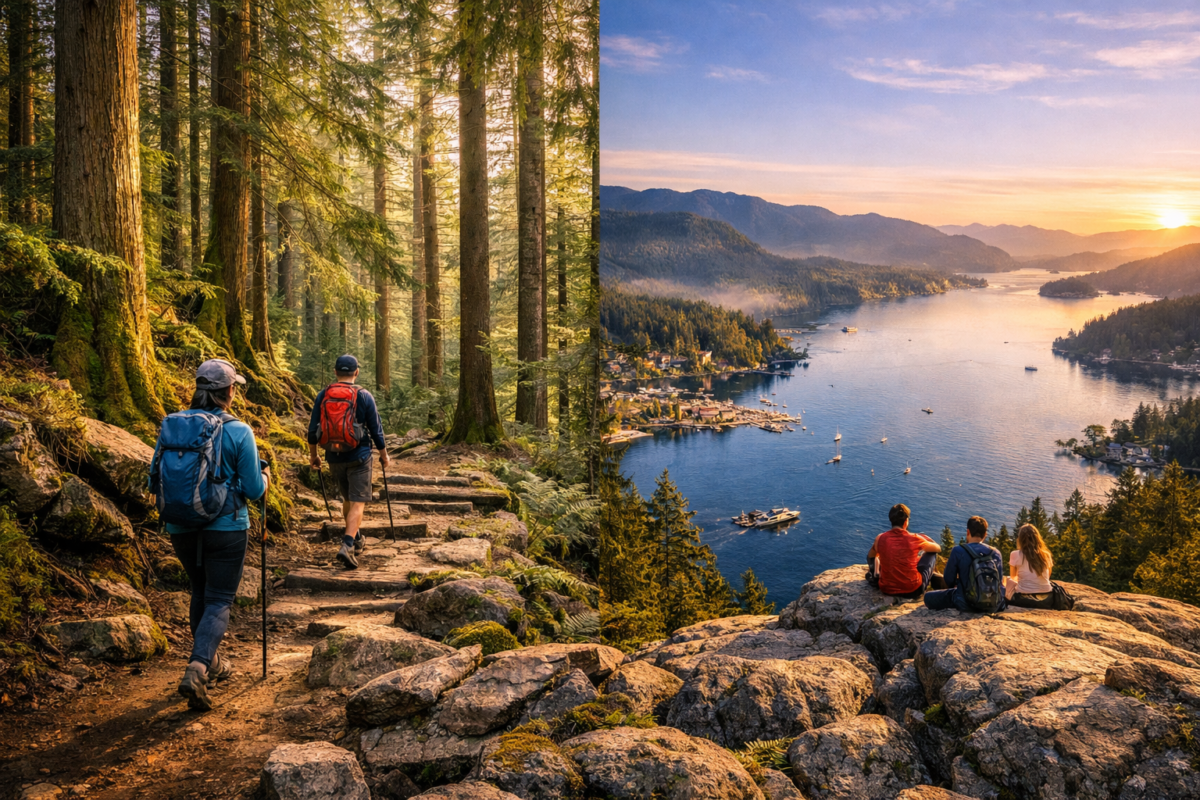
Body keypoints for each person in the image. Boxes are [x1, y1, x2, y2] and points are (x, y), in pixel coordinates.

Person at [151, 359, 269, 711]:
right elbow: (252, 489)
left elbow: (153, 477)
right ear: (229, 391)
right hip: (227, 526)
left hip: (180, 524)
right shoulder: (239, 430)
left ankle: (211, 663)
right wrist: (265, 478)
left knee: (199, 591)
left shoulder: (173, 426)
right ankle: (199, 666)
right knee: (219, 598)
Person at [308, 354, 389, 570]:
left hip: (333, 456)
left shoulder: (323, 394)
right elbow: (376, 430)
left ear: (335, 372)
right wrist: (384, 454)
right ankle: (347, 544)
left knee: (347, 498)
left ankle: (357, 537)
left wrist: (313, 455)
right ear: (356, 372)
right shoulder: (364, 395)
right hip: (359, 456)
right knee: (358, 502)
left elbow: (312, 430)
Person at [924, 516, 1006, 613]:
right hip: (993, 605)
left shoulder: (958, 551)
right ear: (985, 534)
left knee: (928, 597)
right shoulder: (996, 553)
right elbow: (999, 583)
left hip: (965, 603)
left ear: (968, 532)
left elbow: (948, 580)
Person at [866, 503, 945, 598]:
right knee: (931, 554)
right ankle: (935, 582)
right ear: (906, 521)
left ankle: (877, 578)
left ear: (891, 520)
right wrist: (926, 538)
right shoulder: (914, 538)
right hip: (912, 590)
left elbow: (870, 556)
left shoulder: (880, 538)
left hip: (887, 589)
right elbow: (938, 548)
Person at [1006, 524, 1055, 609]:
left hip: (1023, 599)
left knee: (1006, 581)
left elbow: (1013, 577)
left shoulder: (1015, 554)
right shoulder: (1046, 555)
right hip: (1047, 598)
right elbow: (1048, 576)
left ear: (1020, 539)